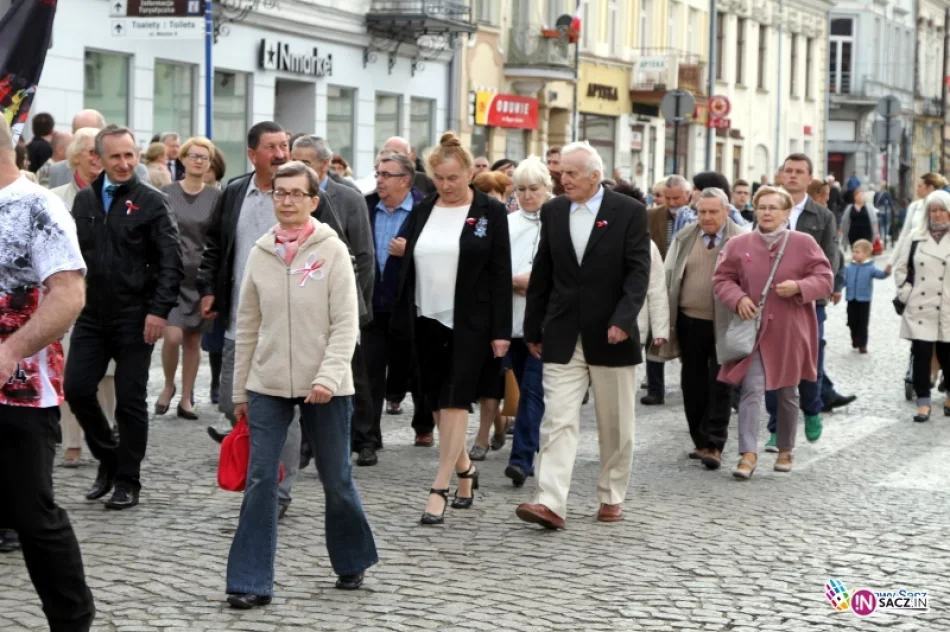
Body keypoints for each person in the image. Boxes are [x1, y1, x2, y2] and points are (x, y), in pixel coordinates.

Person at [225, 161, 377, 608]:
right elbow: (247, 326)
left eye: (296, 194)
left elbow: (346, 323)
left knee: (336, 478)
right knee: (260, 482)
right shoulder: (260, 251)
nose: (286, 201)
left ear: (314, 201)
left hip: (326, 384)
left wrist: (328, 377)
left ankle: (352, 558)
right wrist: (240, 392)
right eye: (279, 193)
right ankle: (250, 582)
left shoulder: (331, 251)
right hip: (267, 383)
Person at [515, 141, 651, 529]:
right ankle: (550, 502)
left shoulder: (629, 212)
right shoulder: (554, 211)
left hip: (611, 333)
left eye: (571, 174)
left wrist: (623, 320)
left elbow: (638, 272)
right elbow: (543, 272)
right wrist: (532, 328)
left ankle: (611, 495)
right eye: (561, 173)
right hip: (561, 332)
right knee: (557, 419)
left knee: (615, 423)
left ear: (595, 175)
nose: (563, 179)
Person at [0, 117, 96, 631]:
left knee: (33, 516)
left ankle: (72, 619)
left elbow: (69, 294)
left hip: (17, 394)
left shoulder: (38, 207)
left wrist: (11, 349)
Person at [64, 124, 183, 510]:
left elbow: (172, 261)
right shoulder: (84, 201)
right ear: (97, 158)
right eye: (115, 156)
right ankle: (108, 458)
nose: (124, 162)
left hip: (136, 316)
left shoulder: (151, 200)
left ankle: (128, 480)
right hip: (91, 313)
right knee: (77, 388)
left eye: (129, 155)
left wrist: (158, 311)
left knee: (130, 400)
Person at [395, 132, 512, 525]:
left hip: (472, 320)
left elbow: (500, 273)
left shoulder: (490, 213)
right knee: (435, 400)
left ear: (468, 173)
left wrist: (501, 330)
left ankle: (439, 486)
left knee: (457, 398)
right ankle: (466, 472)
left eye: (453, 178)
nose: (446, 186)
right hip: (425, 316)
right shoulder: (423, 208)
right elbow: (408, 255)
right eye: (439, 179)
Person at [198, 121, 304, 519]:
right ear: (252, 154)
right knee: (232, 401)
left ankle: (277, 490)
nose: (280, 154)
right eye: (272, 147)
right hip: (239, 322)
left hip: (287, 324)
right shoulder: (235, 193)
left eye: (285, 145)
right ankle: (264, 463)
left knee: (284, 408)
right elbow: (214, 245)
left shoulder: (305, 193)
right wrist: (209, 288)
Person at [714, 186, 834, 478]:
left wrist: (800, 287)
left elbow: (825, 279)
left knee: (787, 392)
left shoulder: (803, 243)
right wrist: (738, 298)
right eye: (762, 207)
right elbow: (721, 279)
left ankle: (785, 449)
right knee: (751, 389)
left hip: (790, 330)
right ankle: (748, 454)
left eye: (774, 208)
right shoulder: (739, 243)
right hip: (753, 331)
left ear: (785, 213)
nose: (767, 213)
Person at [290, 135, 377, 466]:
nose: (297, 168)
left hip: (342, 299)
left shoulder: (348, 198)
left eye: (306, 163)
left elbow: (364, 255)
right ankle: (307, 443)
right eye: (293, 161)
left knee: (352, 372)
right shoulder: (288, 195)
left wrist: (358, 306)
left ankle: (365, 438)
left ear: (325, 165)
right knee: (307, 374)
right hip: (305, 300)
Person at [760, 153, 848, 450]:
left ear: (810, 178)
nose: (793, 176)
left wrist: (809, 289)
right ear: (781, 174)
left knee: (810, 365)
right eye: (788, 170)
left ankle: (812, 408)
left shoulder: (821, 216)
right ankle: (777, 428)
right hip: (772, 304)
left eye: (799, 171)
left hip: (809, 305)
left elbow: (829, 261)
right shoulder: (768, 209)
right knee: (773, 366)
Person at [657, 188, 745, 470]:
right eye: (701, 212)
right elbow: (668, 275)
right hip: (689, 320)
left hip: (726, 321)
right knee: (692, 383)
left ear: (726, 211)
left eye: (712, 212)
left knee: (720, 383)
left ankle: (715, 444)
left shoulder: (742, 239)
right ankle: (700, 439)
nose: (706, 218)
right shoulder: (685, 236)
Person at [51, 127, 116, 467]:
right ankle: (72, 443)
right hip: (65, 294)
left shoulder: (117, 194)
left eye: (100, 151)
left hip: (106, 296)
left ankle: (105, 439)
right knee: (68, 369)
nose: (96, 158)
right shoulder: (54, 197)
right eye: (91, 151)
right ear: (75, 155)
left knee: (107, 374)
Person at [361, 151, 433, 448]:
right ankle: (367, 438)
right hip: (372, 305)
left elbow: (441, 253)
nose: (379, 180)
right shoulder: (365, 206)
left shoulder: (426, 209)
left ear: (405, 180)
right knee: (369, 374)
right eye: (378, 173)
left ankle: (424, 424)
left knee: (418, 371)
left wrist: (412, 250)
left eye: (386, 175)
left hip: (411, 306)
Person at [155, 137, 223, 420]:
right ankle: (169, 385)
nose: (198, 161)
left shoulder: (216, 197)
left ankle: (186, 398)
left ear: (210, 163)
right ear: (182, 159)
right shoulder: (166, 193)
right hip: (171, 275)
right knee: (172, 336)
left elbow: (218, 238)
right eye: (193, 156)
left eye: (204, 157)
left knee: (194, 342)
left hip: (201, 277)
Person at [501, 157, 552, 487]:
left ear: (547, 188)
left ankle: (521, 458)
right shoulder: (508, 224)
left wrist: (536, 281)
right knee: (522, 385)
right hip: (512, 320)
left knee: (533, 390)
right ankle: (531, 448)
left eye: (534, 189)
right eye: (521, 189)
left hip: (545, 323)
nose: (527, 196)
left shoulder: (558, 223)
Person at [894, 190, 950, 422]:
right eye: (933, 210)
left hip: (947, 304)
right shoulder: (916, 237)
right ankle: (923, 404)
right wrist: (906, 292)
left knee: (947, 356)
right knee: (921, 355)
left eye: (942, 210)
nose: (937, 215)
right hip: (920, 305)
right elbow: (901, 268)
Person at [641, 174, 692, 406]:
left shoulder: (696, 216)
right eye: (668, 198)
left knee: (688, 338)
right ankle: (655, 389)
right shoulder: (651, 216)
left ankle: (689, 386)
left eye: (677, 198)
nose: (672, 203)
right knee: (655, 336)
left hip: (687, 284)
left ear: (687, 196)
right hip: (658, 282)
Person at [47, 109, 150, 188]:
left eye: (93, 133)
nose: (85, 137)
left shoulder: (137, 170)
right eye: (78, 133)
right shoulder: (57, 171)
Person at [890, 173, 949, 275]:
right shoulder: (915, 206)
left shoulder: (947, 203)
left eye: (920, 186)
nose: (917, 189)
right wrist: (891, 261)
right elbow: (904, 235)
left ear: (930, 187)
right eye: (934, 211)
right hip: (917, 256)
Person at [844, 239, 888, 353]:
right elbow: (843, 280)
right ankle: (855, 337)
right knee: (851, 321)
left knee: (863, 323)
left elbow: (880, 275)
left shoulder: (870, 267)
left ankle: (863, 344)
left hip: (864, 299)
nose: (854, 254)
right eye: (853, 252)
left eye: (857, 252)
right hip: (851, 298)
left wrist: (887, 272)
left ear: (866, 254)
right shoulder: (849, 268)